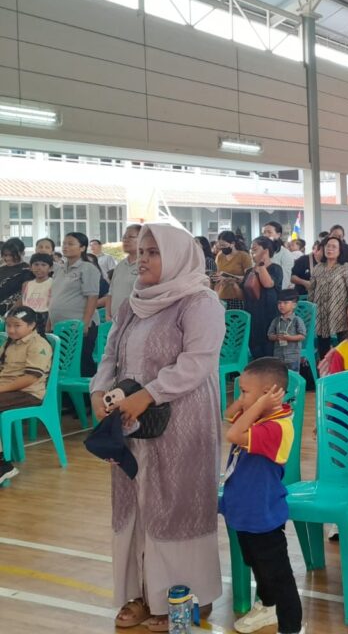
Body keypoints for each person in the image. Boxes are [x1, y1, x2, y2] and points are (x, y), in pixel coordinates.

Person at [89, 223, 225, 630]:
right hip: (129, 420)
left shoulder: (199, 302)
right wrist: (99, 391)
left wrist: (149, 394)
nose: (143, 259)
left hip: (182, 418)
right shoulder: (133, 304)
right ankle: (141, 591)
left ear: (178, 256)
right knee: (133, 503)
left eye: (154, 252)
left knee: (176, 504)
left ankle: (188, 595)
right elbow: (110, 355)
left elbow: (198, 362)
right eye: (141, 252)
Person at [220, 358, 304, 634]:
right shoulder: (257, 415)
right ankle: (267, 606)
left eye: (244, 391)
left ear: (269, 393)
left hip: (263, 514)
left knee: (279, 576)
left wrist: (257, 404)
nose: (240, 398)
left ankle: (291, 627)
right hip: (243, 509)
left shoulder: (277, 427)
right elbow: (228, 416)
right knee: (257, 564)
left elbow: (233, 434)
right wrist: (249, 401)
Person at [0, 306, 53, 484]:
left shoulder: (38, 345)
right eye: (8, 325)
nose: (11, 330)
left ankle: (3, 466)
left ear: (31, 325)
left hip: (28, 393)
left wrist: (1, 389)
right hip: (9, 390)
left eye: (17, 325)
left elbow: (30, 378)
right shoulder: (9, 343)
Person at [50, 232, 101, 375]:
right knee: (62, 365)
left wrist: (85, 323)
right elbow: (55, 296)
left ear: (82, 248)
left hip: (79, 325)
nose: (65, 246)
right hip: (59, 325)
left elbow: (92, 296)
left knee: (82, 363)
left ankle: (90, 389)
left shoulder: (87, 268)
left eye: (70, 244)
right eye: (64, 243)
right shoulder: (60, 269)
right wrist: (49, 322)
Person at [309, 236, 348, 359]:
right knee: (323, 347)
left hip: (340, 313)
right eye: (327, 246)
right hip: (321, 313)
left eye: (334, 247)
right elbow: (311, 290)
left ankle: (343, 369)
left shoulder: (346, 268)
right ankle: (324, 368)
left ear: (340, 250)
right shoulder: (318, 268)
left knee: (344, 346)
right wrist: (311, 310)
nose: (329, 249)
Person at [242, 237, 283, 360]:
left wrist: (261, 264)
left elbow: (268, 284)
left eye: (255, 249)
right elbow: (244, 293)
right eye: (250, 249)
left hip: (269, 317)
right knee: (256, 353)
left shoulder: (275, 269)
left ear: (266, 251)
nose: (251, 252)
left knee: (269, 353)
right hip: (253, 316)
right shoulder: (249, 271)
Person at [107, 225, 141, 323]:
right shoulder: (120, 265)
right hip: (115, 321)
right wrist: (108, 314)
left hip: (135, 321)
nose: (126, 240)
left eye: (130, 237)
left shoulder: (146, 265)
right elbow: (111, 292)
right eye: (124, 237)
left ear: (143, 239)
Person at [268, 289, 305, 373]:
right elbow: (270, 335)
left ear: (294, 305)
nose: (281, 305)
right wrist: (276, 337)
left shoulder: (297, 320)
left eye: (285, 303)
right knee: (280, 375)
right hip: (278, 356)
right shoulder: (276, 320)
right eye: (279, 303)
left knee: (294, 375)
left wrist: (289, 338)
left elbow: (302, 336)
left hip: (293, 356)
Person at [20, 254, 53, 332]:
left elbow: (53, 306)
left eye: (43, 265)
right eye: (36, 264)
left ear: (50, 268)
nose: (39, 268)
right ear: (31, 267)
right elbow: (23, 302)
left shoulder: (53, 283)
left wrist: (49, 324)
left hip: (45, 317)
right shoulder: (26, 284)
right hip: (27, 317)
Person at [0, 239, 31, 315]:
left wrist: (9, 314)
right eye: (5, 255)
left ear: (22, 253)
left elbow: (25, 296)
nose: (8, 258)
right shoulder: (1, 269)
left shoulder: (28, 270)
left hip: (14, 313)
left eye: (12, 255)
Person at [262, 222, 294, 291]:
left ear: (278, 235)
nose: (265, 235)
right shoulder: (262, 252)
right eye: (264, 232)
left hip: (277, 292)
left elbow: (285, 279)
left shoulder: (285, 253)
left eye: (269, 232)